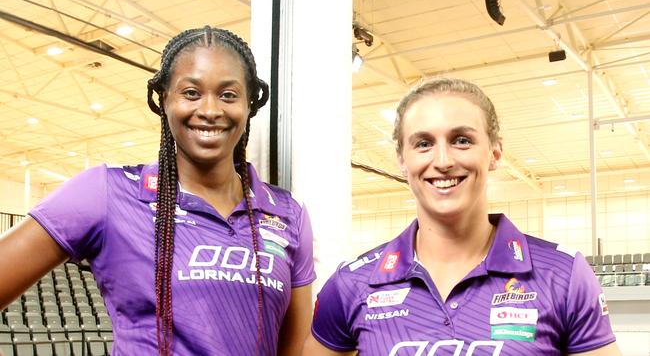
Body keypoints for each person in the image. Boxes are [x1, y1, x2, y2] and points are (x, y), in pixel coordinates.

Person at [0, 26, 315, 356]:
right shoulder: (106, 194)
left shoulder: (286, 213)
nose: (210, 110)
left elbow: (296, 350)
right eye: (191, 93)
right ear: (163, 98)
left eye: (228, 95)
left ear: (249, 103)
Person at [304, 78, 621, 356]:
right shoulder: (351, 284)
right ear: (402, 159)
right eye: (424, 144)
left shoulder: (563, 275)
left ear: (494, 153)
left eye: (461, 140)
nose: (442, 160)